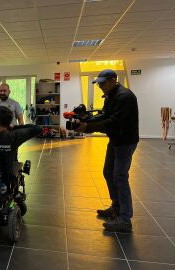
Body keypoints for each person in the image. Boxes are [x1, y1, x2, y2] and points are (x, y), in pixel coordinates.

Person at [75, 69, 139, 233]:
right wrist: (87, 119)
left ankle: (125, 220)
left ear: (113, 80)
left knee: (120, 176)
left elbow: (113, 122)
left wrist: (89, 127)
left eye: (102, 83)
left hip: (125, 142)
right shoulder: (111, 95)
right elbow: (104, 115)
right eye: (99, 83)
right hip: (116, 139)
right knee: (108, 172)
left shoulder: (125, 97)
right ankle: (116, 207)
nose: (100, 86)